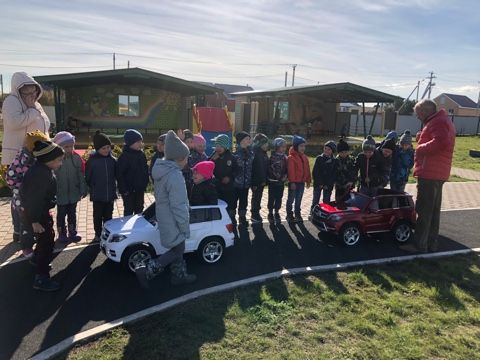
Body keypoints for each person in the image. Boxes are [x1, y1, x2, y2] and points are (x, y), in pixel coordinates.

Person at [135, 130, 196, 288]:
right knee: (178, 249)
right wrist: (184, 226)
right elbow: (179, 205)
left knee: (178, 248)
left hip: (164, 215)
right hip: (173, 218)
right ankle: (148, 270)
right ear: (180, 158)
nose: (187, 161)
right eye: (187, 158)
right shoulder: (175, 176)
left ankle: (178, 275)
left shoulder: (162, 170)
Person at [410, 100, 455, 252]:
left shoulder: (438, 122)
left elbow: (441, 142)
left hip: (430, 172)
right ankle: (431, 243)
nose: (417, 117)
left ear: (425, 111)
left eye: (418, 114)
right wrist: (421, 137)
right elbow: (439, 139)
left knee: (424, 209)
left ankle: (419, 245)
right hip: (437, 172)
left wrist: (419, 148)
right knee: (433, 210)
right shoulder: (440, 120)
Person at [20, 140, 64, 291]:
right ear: (48, 160)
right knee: (47, 242)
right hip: (37, 215)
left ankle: (36, 260)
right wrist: (35, 221)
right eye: (59, 160)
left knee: (43, 239)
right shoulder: (41, 175)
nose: (61, 163)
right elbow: (34, 200)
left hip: (38, 213)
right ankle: (41, 278)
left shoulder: (41, 169)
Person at [6, 130, 50, 257]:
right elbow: (11, 178)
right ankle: (26, 245)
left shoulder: (37, 157)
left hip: (35, 197)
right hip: (23, 198)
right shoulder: (22, 159)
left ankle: (31, 238)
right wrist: (24, 189)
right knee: (26, 223)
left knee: (35, 219)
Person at [1, 72, 51, 166]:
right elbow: (14, 123)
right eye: (27, 93)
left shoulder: (36, 104)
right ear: (18, 91)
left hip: (36, 153)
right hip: (18, 157)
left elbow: (46, 124)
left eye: (34, 91)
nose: (32, 95)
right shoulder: (11, 101)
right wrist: (32, 109)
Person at [52, 131, 88, 243]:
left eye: (72, 146)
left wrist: (83, 188)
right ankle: (62, 232)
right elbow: (51, 177)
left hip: (73, 192)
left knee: (72, 213)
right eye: (66, 147)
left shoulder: (76, 158)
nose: (69, 149)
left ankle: (73, 231)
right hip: (60, 193)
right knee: (61, 214)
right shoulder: (55, 160)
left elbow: (81, 174)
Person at [85, 132, 118, 242]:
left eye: (108, 147)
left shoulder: (113, 160)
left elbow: (116, 175)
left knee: (109, 216)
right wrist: (93, 187)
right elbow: (88, 177)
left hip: (110, 195)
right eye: (103, 148)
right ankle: (98, 234)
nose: (106, 150)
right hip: (98, 195)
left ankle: (106, 233)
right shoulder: (92, 161)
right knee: (97, 216)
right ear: (97, 149)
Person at [117, 129, 149, 216]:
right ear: (130, 143)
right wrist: (124, 190)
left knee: (139, 210)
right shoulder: (124, 157)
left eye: (141, 142)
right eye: (138, 142)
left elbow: (145, 170)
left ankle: (137, 229)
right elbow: (120, 174)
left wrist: (145, 183)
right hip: (128, 191)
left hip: (139, 189)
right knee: (128, 210)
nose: (141, 144)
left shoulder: (141, 155)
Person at [209, 134, 237, 223]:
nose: (218, 148)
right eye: (217, 146)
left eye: (221, 146)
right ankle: (219, 221)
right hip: (217, 187)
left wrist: (230, 178)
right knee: (219, 205)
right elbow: (206, 167)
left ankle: (230, 220)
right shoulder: (213, 156)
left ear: (226, 146)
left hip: (229, 188)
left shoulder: (232, 157)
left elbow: (237, 170)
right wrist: (212, 160)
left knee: (229, 205)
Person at [286, 135, 311, 223]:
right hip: (294, 183)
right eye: (301, 146)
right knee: (291, 199)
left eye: (304, 146)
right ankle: (289, 215)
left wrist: (308, 180)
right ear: (296, 146)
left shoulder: (305, 157)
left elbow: (307, 169)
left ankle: (297, 214)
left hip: (301, 183)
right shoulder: (291, 158)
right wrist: (292, 182)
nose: (303, 148)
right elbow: (291, 171)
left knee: (299, 199)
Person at [233, 131, 254, 226]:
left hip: (246, 183)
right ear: (241, 141)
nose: (249, 140)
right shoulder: (235, 154)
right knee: (233, 201)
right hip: (236, 184)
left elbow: (253, 168)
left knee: (244, 201)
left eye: (249, 139)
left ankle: (242, 217)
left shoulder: (251, 152)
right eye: (246, 139)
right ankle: (232, 218)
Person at [311, 140, 337, 210]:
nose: (326, 150)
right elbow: (315, 172)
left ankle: (325, 213)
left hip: (328, 185)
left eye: (329, 149)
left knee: (326, 201)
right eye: (325, 148)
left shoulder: (334, 161)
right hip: (318, 183)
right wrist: (320, 183)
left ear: (332, 151)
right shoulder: (319, 158)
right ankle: (313, 212)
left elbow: (334, 175)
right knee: (315, 200)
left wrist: (327, 184)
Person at [267, 137, 288, 223]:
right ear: (276, 147)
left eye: (284, 147)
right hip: (272, 181)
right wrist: (271, 177)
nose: (283, 148)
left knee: (279, 197)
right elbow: (269, 168)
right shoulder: (271, 157)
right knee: (271, 197)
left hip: (281, 182)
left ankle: (276, 211)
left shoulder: (285, 157)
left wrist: (285, 176)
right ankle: (270, 212)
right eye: (281, 146)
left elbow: (287, 169)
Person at [250, 133, 269, 224]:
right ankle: (254, 214)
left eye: (266, 143)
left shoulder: (263, 153)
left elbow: (265, 167)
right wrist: (255, 182)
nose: (267, 145)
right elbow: (254, 169)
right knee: (256, 198)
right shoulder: (255, 153)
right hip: (256, 182)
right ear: (259, 144)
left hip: (262, 181)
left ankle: (256, 212)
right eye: (264, 143)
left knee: (258, 197)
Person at [334, 138, 357, 205]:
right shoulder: (336, 161)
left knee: (350, 203)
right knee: (339, 203)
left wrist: (351, 181)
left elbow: (355, 172)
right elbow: (335, 174)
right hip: (339, 187)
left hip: (350, 186)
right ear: (338, 152)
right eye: (342, 152)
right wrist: (342, 184)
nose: (344, 154)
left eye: (345, 152)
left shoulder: (352, 160)